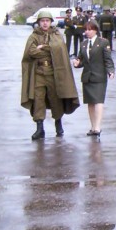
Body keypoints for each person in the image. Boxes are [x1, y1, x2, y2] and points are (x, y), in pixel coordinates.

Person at [21, 10, 80, 140]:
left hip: (54, 72)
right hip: (38, 73)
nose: (45, 23)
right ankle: (39, 128)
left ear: (51, 22)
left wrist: (42, 48)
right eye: (42, 21)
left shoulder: (57, 34)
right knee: (38, 100)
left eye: (47, 21)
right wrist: (46, 50)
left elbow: (59, 49)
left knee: (55, 98)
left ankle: (58, 123)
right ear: (38, 23)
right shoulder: (34, 36)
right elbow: (30, 52)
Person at [73, 20, 114, 136]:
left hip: (99, 76)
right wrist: (77, 63)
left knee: (98, 102)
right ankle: (92, 126)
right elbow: (81, 60)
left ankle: (97, 127)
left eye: (90, 29)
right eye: (86, 29)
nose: (87, 32)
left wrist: (111, 71)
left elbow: (108, 59)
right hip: (87, 77)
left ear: (95, 30)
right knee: (90, 103)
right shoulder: (83, 44)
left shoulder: (103, 42)